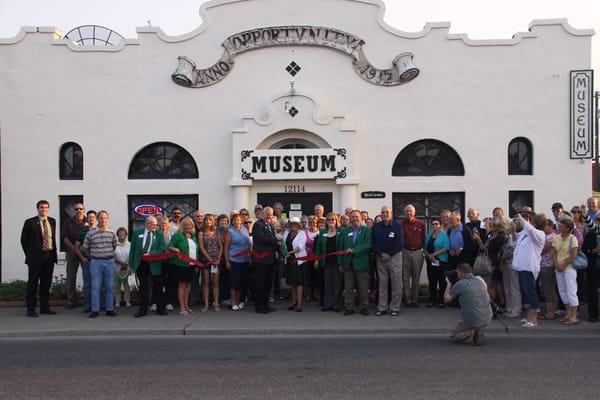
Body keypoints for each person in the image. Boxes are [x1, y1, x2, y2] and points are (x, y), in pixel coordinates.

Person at [20, 200, 58, 317]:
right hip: (35, 259)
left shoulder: (52, 221)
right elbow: (23, 240)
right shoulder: (30, 222)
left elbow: (52, 238)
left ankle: (45, 308)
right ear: (37, 208)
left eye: (46, 207)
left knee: (46, 284)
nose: (44, 209)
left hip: (49, 257)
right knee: (33, 284)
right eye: (42, 207)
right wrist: (31, 254)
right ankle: (31, 309)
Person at [444, 263, 493, 346]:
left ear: (460, 273)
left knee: (454, 336)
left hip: (472, 320)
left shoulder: (460, 284)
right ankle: (479, 328)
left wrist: (449, 284)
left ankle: (473, 332)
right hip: (488, 317)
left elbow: (446, 299)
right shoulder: (479, 280)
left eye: (457, 272)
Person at [512, 212, 546, 328]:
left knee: (530, 292)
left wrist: (522, 220)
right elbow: (516, 238)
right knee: (525, 293)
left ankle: (534, 319)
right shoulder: (527, 232)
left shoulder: (540, 234)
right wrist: (513, 229)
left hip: (529, 267)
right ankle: (528, 317)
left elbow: (531, 230)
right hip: (521, 266)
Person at [81, 210, 118, 318]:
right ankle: (95, 310)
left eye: (105, 218)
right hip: (96, 262)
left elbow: (114, 246)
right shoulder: (91, 233)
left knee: (110, 287)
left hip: (109, 261)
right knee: (95, 287)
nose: (103, 220)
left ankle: (109, 309)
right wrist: (92, 256)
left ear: (108, 219)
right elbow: (84, 248)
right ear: (97, 219)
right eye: (101, 218)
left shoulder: (111, 233)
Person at [129, 215, 167, 317]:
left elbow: (162, 249)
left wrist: (151, 253)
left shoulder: (159, 235)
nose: (155, 226)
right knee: (143, 287)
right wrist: (131, 264)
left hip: (154, 263)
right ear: (146, 224)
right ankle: (143, 310)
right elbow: (132, 249)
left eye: (156, 224)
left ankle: (161, 308)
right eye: (152, 224)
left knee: (158, 287)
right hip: (141, 264)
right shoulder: (137, 233)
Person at [339, 210, 372, 315]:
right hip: (348, 263)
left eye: (356, 217)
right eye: (352, 217)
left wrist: (355, 250)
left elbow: (368, 245)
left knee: (363, 287)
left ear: (361, 218)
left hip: (361, 263)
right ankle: (349, 307)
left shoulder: (367, 230)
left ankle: (364, 307)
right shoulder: (345, 231)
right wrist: (340, 263)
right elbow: (341, 247)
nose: (354, 219)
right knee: (348, 287)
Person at [372, 205, 404, 316]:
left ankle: (395, 307)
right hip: (380, 257)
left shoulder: (397, 225)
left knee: (396, 283)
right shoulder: (376, 226)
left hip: (394, 257)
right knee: (382, 283)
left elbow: (399, 243)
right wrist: (381, 253)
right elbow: (373, 243)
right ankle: (382, 307)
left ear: (391, 214)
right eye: (383, 212)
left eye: (387, 212)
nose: (385, 214)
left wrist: (389, 254)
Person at [552, 217, 580, 325]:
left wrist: (563, 265)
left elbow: (573, 255)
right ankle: (568, 313)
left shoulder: (573, 239)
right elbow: (554, 252)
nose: (559, 227)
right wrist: (556, 264)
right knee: (562, 291)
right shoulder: (557, 238)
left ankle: (574, 315)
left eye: (562, 226)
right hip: (558, 267)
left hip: (569, 268)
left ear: (568, 228)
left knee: (571, 290)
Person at [168, 217, 198, 316]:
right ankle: (182, 308)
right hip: (181, 265)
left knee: (188, 286)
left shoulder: (193, 236)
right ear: (182, 226)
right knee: (182, 286)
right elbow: (170, 246)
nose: (188, 227)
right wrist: (174, 249)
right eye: (186, 225)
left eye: (190, 225)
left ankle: (186, 306)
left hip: (191, 265)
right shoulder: (178, 235)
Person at [252, 206, 279, 313]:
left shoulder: (270, 226)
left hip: (270, 259)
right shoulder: (258, 225)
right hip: (260, 260)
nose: (269, 217)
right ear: (262, 214)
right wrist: (276, 239)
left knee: (268, 284)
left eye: (271, 215)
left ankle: (265, 304)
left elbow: (272, 240)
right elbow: (261, 239)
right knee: (260, 283)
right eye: (267, 214)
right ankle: (259, 306)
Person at [315, 212, 343, 312]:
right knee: (327, 283)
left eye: (332, 220)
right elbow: (319, 247)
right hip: (326, 262)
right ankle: (327, 304)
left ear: (336, 221)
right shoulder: (322, 232)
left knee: (337, 283)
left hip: (337, 262)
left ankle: (336, 304)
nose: (330, 221)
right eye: (328, 220)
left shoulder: (341, 232)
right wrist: (317, 259)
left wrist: (341, 263)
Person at [224, 212, 251, 311]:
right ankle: (233, 302)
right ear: (232, 221)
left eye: (239, 220)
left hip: (245, 260)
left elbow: (248, 244)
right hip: (234, 260)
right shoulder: (229, 231)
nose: (237, 222)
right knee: (234, 282)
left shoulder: (244, 229)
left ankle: (239, 301)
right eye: (235, 220)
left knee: (241, 282)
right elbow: (226, 247)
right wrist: (227, 261)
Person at [62, 202, 86, 309]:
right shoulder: (68, 222)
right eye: (76, 209)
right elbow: (65, 238)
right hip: (72, 252)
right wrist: (74, 249)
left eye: (81, 209)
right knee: (71, 276)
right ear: (74, 211)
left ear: (83, 210)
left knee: (87, 275)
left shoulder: (88, 221)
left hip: (85, 252)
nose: (79, 211)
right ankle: (71, 300)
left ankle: (87, 299)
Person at [400, 204, 426, 307]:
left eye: (410, 211)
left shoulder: (421, 224)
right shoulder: (401, 224)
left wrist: (423, 251)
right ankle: (408, 300)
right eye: (407, 211)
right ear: (404, 213)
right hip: (404, 252)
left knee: (416, 276)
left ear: (414, 212)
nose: (409, 213)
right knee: (405, 277)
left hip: (417, 252)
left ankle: (415, 300)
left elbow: (424, 238)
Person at [198, 214, 223, 312]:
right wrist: (209, 259)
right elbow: (201, 248)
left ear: (213, 222)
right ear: (204, 222)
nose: (208, 222)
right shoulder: (201, 233)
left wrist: (218, 258)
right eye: (207, 220)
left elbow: (220, 246)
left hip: (216, 260)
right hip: (206, 261)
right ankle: (206, 304)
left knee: (215, 282)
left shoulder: (216, 232)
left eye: (210, 220)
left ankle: (216, 302)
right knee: (206, 282)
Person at [423, 218, 449, 308]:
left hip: (441, 261)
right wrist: (428, 255)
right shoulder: (429, 235)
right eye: (433, 224)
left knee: (442, 281)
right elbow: (424, 248)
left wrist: (433, 255)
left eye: (436, 224)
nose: (434, 226)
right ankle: (432, 300)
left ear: (440, 225)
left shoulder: (444, 235)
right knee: (432, 281)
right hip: (430, 262)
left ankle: (441, 301)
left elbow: (445, 248)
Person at [75, 210, 98, 313]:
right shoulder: (82, 231)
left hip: (98, 261)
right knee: (88, 284)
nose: (91, 219)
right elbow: (77, 247)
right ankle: (87, 305)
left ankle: (99, 304)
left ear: (96, 218)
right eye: (89, 217)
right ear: (87, 219)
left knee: (99, 284)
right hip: (87, 262)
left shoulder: (100, 230)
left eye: (93, 217)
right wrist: (82, 258)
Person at [284, 217, 308, 312]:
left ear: (298, 225)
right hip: (290, 261)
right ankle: (293, 302)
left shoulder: (302, 234)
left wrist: (289, 252)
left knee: (299, 283)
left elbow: (300, 247)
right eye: (292, 224)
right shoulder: (287, 233)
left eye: (295, 224)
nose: (293, 225)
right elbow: (283, 244)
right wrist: (283, 250)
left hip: (299, 261)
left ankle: (299, 304)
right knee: (292, 283)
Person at [582, 214, 600, 323]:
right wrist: (593, 251)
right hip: (593, 265)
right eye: (599, 219)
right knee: (592, 291)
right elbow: (584, 251)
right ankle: (593, 315)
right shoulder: (591, 234)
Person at [539, 219, 558, 320]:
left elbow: (542, 250)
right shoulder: (545, 236)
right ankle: (552, 310)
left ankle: (550, 312)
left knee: (548, 289)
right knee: (548, 289)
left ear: (550, 226)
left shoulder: (552, 237)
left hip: (548, 266)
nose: (543, 228)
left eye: (545, 226)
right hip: (543, 265)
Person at [157, 215, 175, 311]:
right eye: (162, 223)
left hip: (169, 262)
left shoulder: (172, 234)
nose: (164, 225)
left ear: (168, 224)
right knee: (158, 282)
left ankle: (168, 302)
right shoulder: (156, 234)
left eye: (166, 223)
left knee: (168, 282)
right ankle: (155, 302)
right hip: (158, 261)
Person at [114, 227, 131, 308]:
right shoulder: (114, 245)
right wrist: (120, 263)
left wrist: (126, 264)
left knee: (127, 285)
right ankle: (117, 301)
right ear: (117, 235)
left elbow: (131, 256)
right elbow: (112, 256)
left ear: (126, 235)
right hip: (117, 267)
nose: (121, 234)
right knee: (117, 285)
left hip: (127, 268)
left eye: (123, 233)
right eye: (120, 233)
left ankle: (127, 301)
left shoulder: (129, 245)